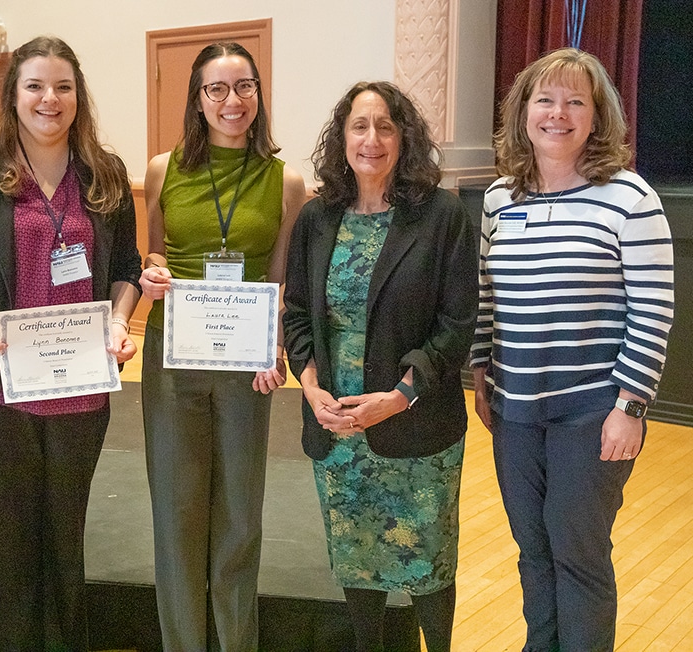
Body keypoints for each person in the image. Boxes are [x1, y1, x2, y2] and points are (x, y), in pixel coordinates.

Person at [0, 36, 141, 650]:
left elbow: (124, 265)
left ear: (79, 96)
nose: (51, 99)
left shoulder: (106, 171)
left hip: (80, 390)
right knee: (4, 538)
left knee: (63, 535)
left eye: (64, 87)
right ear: (13, 93)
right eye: (36, 85)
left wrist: (121, 321)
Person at [470, 48, 674, 651]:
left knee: (577, 551)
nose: (558, 113)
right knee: (532, 550)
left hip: (592, 412)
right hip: (513, 409)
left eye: (575, 101)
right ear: (523, 111)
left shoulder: (631, 199)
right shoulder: (499, 199)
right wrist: (480, 371)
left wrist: (631, 406)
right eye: (545, 100)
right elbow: (487, 294)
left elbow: (654, 310)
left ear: (596, 116)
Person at [282, 81, 477, 651]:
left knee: (428, 568)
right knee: (356, 562)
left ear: (404, 137)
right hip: (338, 424)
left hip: (413, 422)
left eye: (385, 126)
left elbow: (456, 324)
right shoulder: (318, 218)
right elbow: (297, 312)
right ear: (341, 138)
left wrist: (397, 397)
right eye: (359, 126)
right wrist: (312, 386)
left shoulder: (441, 217)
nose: (371, 139)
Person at [138, 42, 305, 650]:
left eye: (244, 87)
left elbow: (281, 281)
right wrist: (152, 273)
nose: (232, 102)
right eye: (217, 89)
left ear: (258, 94)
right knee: (177, 518)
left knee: (239, 515)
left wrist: (276, 347)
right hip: (174, 356)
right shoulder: (162, 169)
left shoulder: (286, 180)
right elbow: (153, 255)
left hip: (245, 361)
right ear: (198, 98)